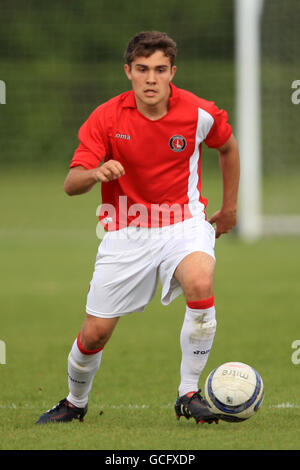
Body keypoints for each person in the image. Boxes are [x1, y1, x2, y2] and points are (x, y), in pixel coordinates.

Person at [36, 31, 239, 425]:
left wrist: (229, 209)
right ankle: (75, 402)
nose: (151, 79)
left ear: (172, 72)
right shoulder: (107, 117)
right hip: (126, 232)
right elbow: (70, 183)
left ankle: (189, 392)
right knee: (95, 334)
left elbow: (227, 147)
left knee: (200, 281)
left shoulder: (199, 112)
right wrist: (96, 172)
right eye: (142, 69)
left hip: (183, 223)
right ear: (128, 71)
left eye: (160, 70)